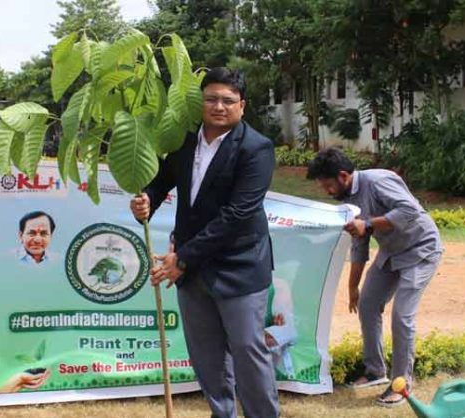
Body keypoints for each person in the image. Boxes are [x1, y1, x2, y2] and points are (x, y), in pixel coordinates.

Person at [130, 67, 279, 418]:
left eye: (228, 100)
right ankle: (221, 413)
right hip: (192, 269)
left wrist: (181, 258)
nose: (219, 106)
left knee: (247, 350)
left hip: (239, 266)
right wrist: (146, 201)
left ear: (242, 106)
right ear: (201, 102)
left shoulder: (257, 149)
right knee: (206, 354)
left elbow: (237, 215)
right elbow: (160, 181)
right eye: (211, 98)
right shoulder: (183, 140)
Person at [307, 148, 442, 407]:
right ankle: (375, 371)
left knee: (402, 316)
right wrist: (353, 287)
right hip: (391, 253)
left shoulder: (379, 181)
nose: (327, 192)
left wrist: (368, 224)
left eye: (328, 186)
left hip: (420, 249)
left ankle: (401, 383)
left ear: (344, 176)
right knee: (367, 304)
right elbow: (359, 244)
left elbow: (410, 211)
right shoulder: (351, 201)